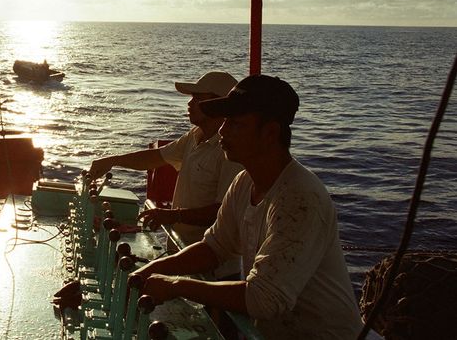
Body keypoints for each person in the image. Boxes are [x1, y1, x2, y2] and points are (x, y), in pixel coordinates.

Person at [132, 74, 363, 339]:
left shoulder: (300, 197)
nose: (222, 131)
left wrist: (176, 286)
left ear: (270, 133)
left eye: (235, 124)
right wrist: (152, 269)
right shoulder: (245, 181)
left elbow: (264, 299)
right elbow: (215, 247)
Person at [88, 71, 243, 279]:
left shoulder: (232, 152)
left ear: (219, 105)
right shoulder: (194, 137)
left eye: (198, 98)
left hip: (214, 271)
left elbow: (224, 212)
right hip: (181, 254)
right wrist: (112, 160)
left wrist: (172, 215)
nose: (190, 104)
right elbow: (155, 158)